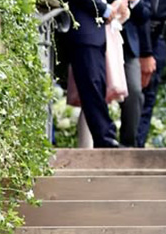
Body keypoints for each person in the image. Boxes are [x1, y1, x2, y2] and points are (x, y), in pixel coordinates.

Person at [60, 0, 127, 147]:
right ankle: (105, 138)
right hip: (85, 29)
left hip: (97, 33)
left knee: (97, 87)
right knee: (92, 86)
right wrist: (105, 9)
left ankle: (105, 137)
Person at [135, 0, 166, 147]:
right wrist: (145, 51)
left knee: (148, 96)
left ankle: (137, 145)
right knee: (136, 93)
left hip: (159, 35)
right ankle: (131, 146)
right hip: (138, 33)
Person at [119, 0, 153, 147]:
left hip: (128, 46)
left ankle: (128, 146)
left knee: (134, 91)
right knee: (94, 91)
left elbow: (145, 13)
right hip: (97, 35)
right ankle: (98, 143)